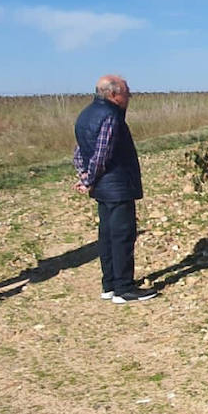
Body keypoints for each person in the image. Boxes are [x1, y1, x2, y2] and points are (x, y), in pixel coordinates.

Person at [73, 74, 155, 303]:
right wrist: (89, 179)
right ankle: (124, 288)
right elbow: (101, 154)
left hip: (102, 188)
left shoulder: (86, 114)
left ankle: (109, 285)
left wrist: (84, 175)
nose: (130, 96)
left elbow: (80, 151)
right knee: (122, 236)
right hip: (116, 186)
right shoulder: (110, 117)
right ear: (114, 94)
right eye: (127, 92)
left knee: (107, 236)